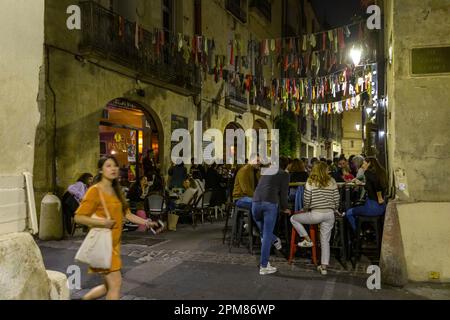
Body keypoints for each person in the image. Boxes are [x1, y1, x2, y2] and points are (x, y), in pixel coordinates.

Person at [74, 156, 161, 300]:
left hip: (114, 245)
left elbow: (128, 214)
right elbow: (79, 217)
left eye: (115, 166)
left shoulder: (117, 191)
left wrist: (146, 222)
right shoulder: (95, 191)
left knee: (108, 286)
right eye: (108, 166)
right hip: (104, 245)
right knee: (115, 284)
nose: (113, 169)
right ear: (101, 170)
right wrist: (102, 223)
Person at [290, 161, 340, 276]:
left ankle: (307, 240)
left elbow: (307, 200)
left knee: (293, 218)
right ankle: (324, 267)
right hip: (329, 214)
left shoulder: (310, 181)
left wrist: (306, 209)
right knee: (325, 240)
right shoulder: (332, 181)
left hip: (315, 214)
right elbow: (336, 198)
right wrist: (335, 208)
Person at [252, 157, 290, 275]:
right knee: (267, 235)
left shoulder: (266, 171)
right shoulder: (284, 174)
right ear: (286, 165)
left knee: (264, 231)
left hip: (255, 203)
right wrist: (285, 208)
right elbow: (283, 194)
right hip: (270, 204)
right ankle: (263, 266)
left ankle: (275, 240)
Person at [346, 157, 388, 230]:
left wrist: (379, 197)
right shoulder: (380, 173)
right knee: (358, 210)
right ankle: (365, 231)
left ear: (369, 163)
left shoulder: (368, 173)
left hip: (373, 208)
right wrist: (362, 183)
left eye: (364, 163)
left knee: (349, 212)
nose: (362, 166)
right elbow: (373, 184)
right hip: (382, 208)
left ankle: (358, 233)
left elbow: (376, 184)